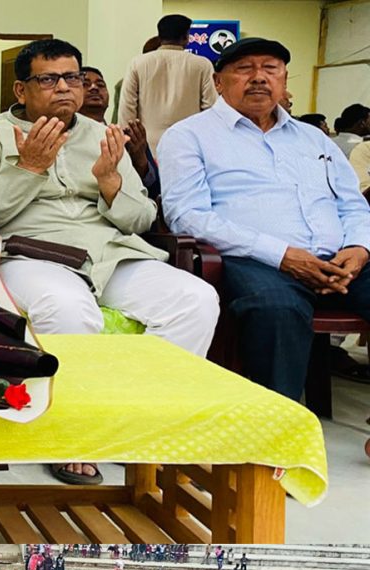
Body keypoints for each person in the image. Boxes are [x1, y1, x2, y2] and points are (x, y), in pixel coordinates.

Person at [0, 38, 219, 486]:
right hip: (33, 253)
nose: (64, 88)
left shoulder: (103, 135)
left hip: (110, 252)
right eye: (49, 79)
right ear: (21, 90)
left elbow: (141, 218)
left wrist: (112, 183)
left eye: (72, 77)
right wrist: (28, 168)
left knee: (195, 299)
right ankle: (72, 435)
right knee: (68, 308)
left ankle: (140, 423)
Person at [159, 37, 370, 400]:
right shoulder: (189, 136)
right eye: (244, 69)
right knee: (276, 309)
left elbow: (352, 203)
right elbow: (187, 216)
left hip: (341, 260)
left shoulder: (315, 139)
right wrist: (282, 254)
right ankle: (277, 426)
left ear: (284, 80)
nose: (258, 77)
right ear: (218, 82)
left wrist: (359, 248)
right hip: (258, 261)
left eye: (270, 69)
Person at [118, 14, 217, 154]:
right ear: (186, 37)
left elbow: (127, 109)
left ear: (159, 36)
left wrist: (128, 145)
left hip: (146, 147)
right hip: (189, 144)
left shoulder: (137, 63)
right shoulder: (202, 65)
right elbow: (211, 109)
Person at [79, 66, 159, 198]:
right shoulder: (64, 136)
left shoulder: (127, 137)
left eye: (101, 85)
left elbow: (155, 191)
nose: (94, 88)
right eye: (85, 84)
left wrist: (140, 160)